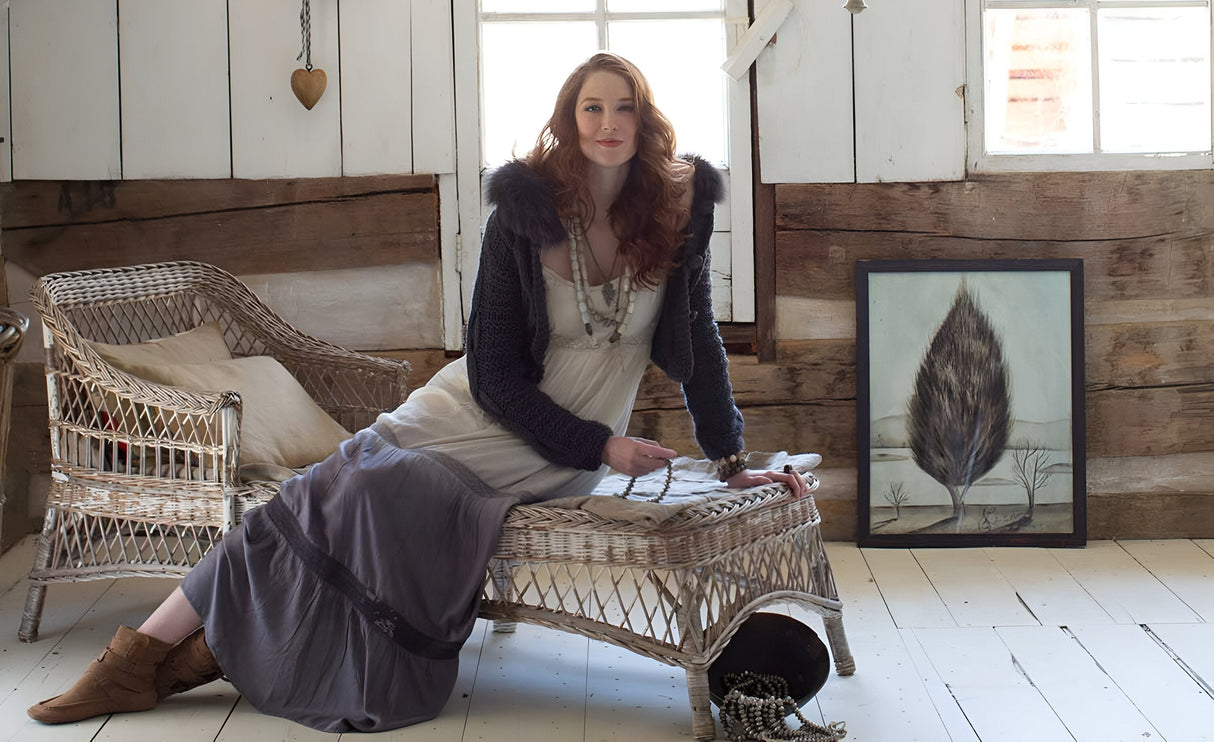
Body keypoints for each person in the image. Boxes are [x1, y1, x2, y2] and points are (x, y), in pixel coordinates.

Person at [29, 51, 807, 731]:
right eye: (591, 107)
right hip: (480, 413)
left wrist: (731, 458)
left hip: (560, 449)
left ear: (646, 119)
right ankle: (146, 658)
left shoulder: (678, 215)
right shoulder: (525, 216)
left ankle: (175, 653)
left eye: (624, 107)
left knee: (341, 488)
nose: (609, 122)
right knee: (331, 490)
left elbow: (700, 346)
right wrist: (602, 445)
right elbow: (496, 374)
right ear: (568, 121)